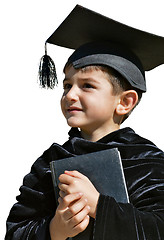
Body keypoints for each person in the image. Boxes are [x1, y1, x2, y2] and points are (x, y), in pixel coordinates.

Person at [5, 5, 164, 240]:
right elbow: (16, 231)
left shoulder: (147, 162)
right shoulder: (50, 162)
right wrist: (54, 230)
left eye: (87, 85)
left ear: (125, 102)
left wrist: (100, 206)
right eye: (67, 85)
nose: (70, 95)